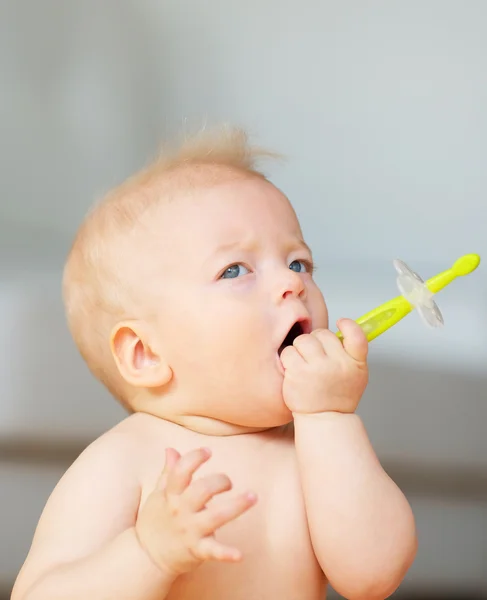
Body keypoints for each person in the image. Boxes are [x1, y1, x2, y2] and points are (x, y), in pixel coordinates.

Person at [12, 126, 417, 600]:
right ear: (146, 354)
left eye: (298, 262)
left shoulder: (314, 453)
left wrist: (330, 416)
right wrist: (148, 553)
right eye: (234, 270)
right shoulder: (125, 461)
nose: (292, 285)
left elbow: (374, 575)